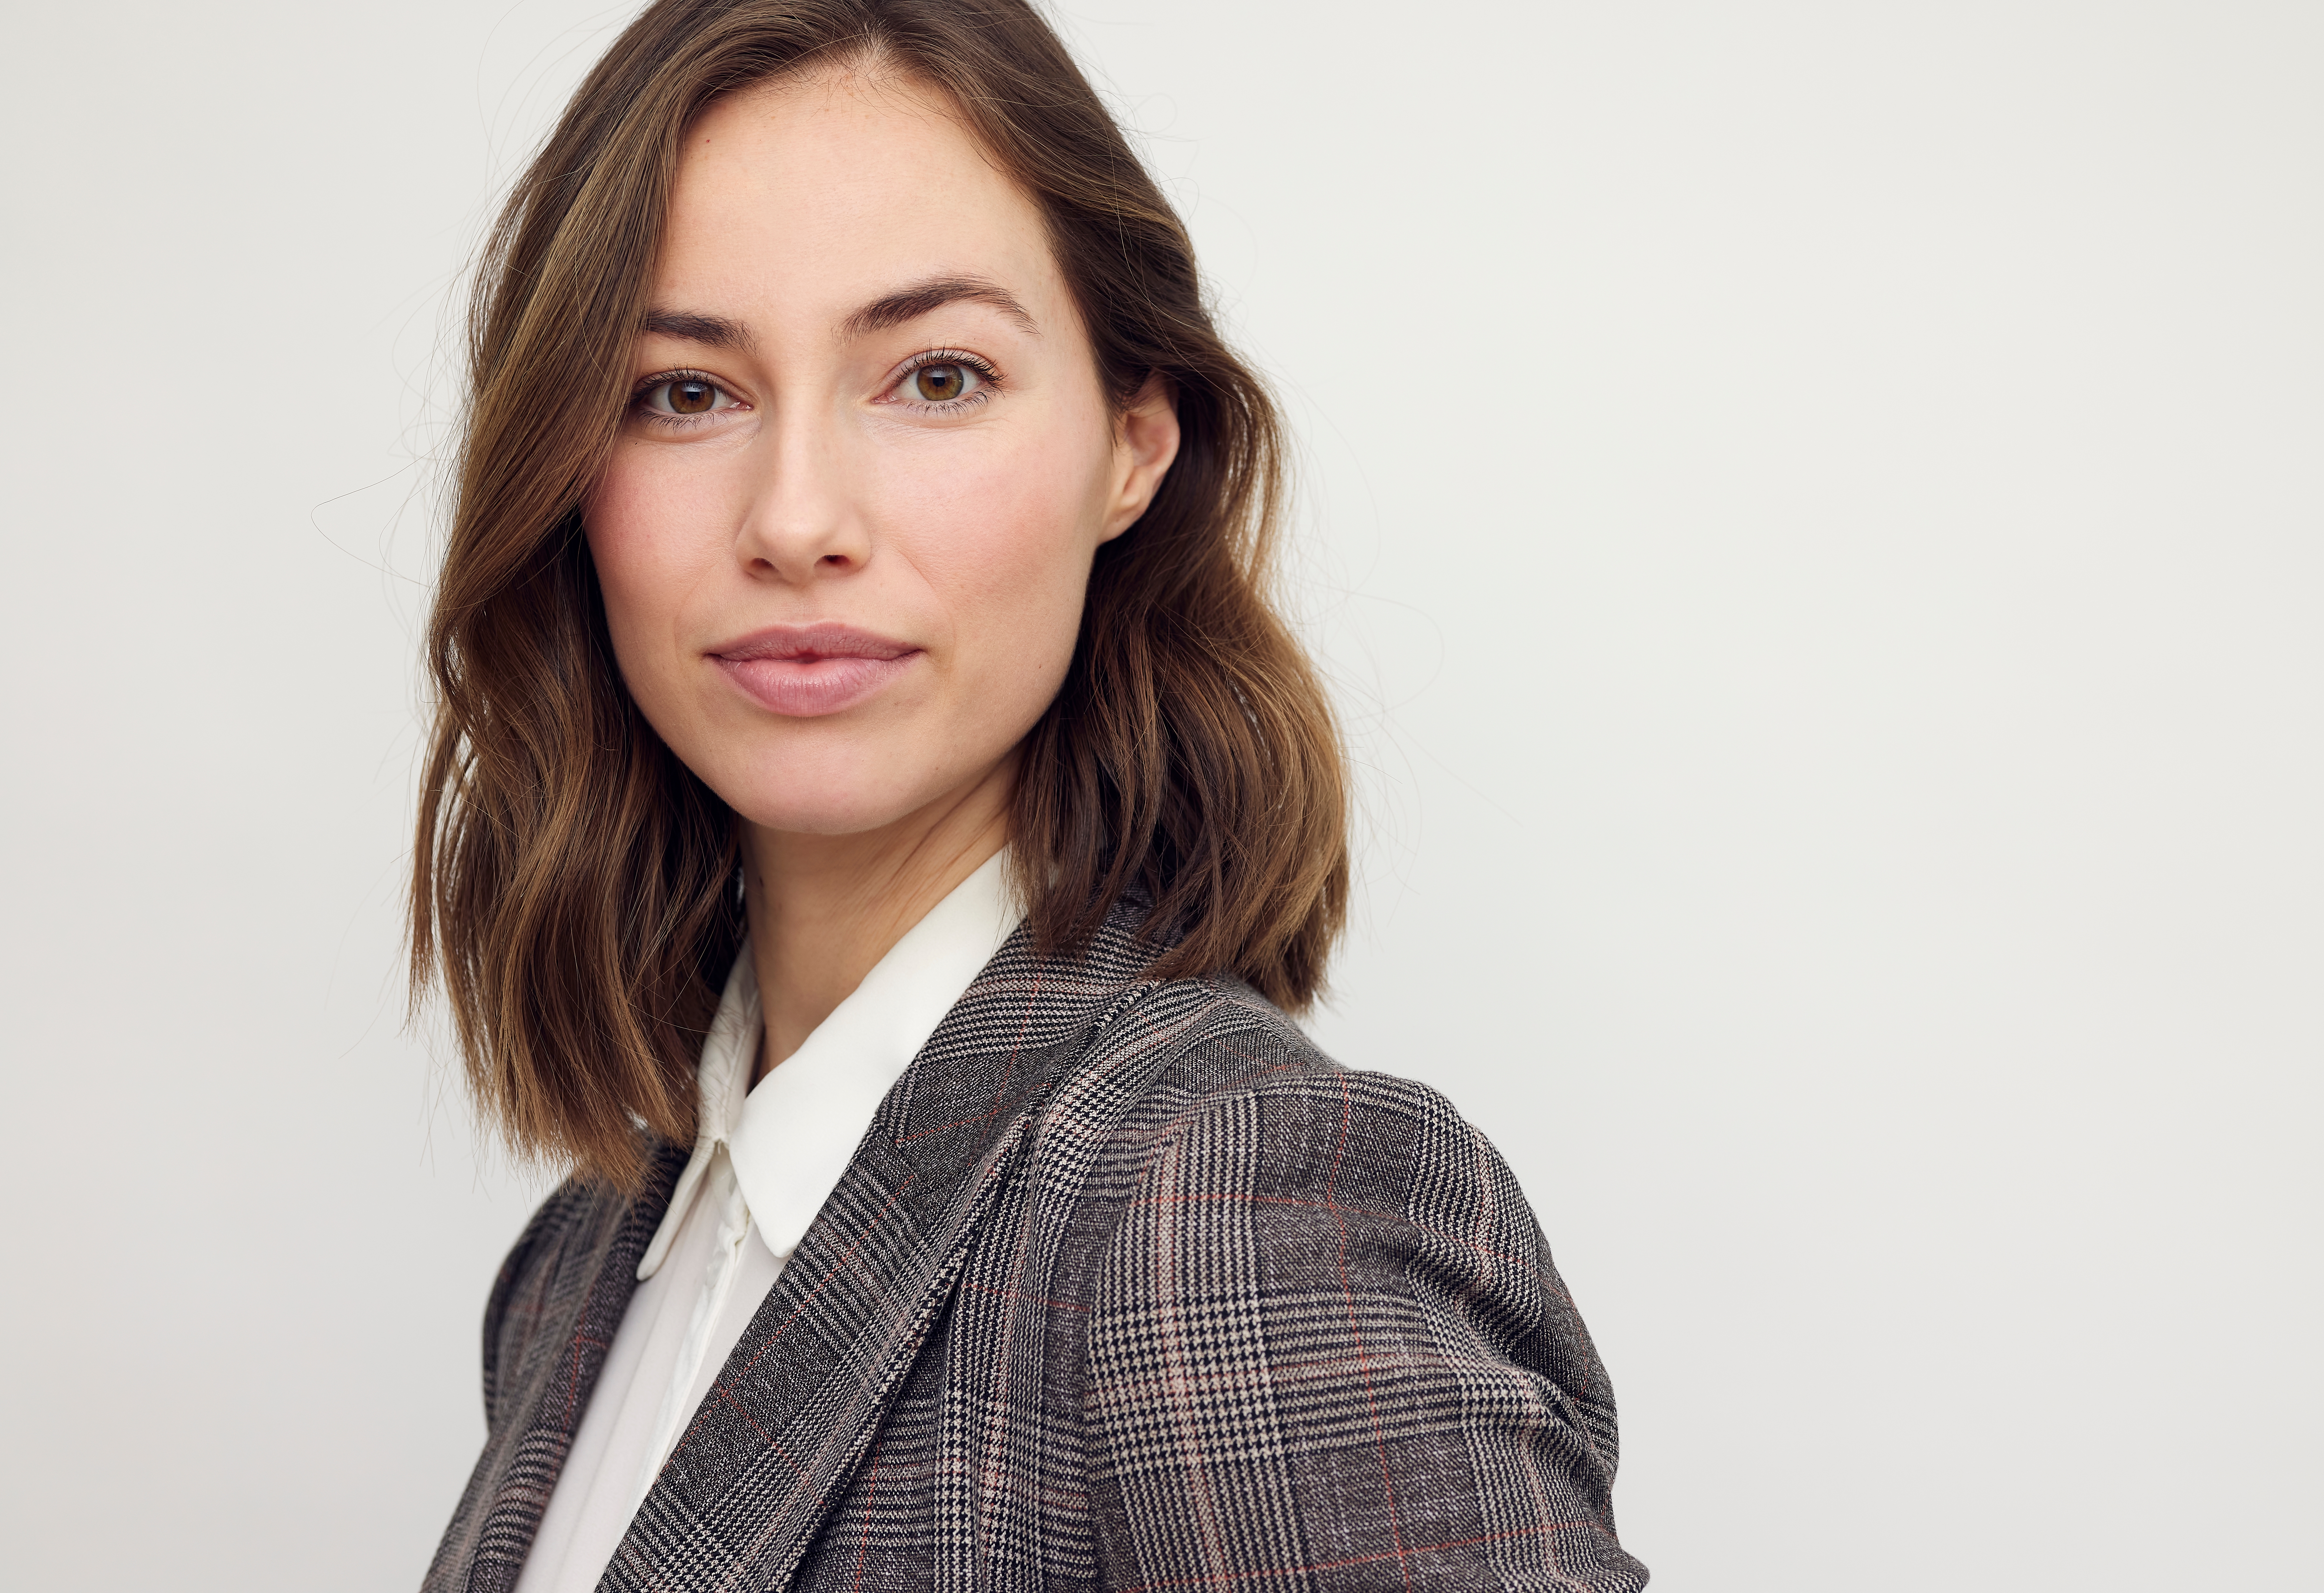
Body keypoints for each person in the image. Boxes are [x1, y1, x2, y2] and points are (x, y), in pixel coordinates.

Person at [411, 1, 1647, 1588]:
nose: (796, 519)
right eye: (685, 392)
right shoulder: (585, 1263)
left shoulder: (1229, 1210)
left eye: (937, 376)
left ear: (1133, 444)